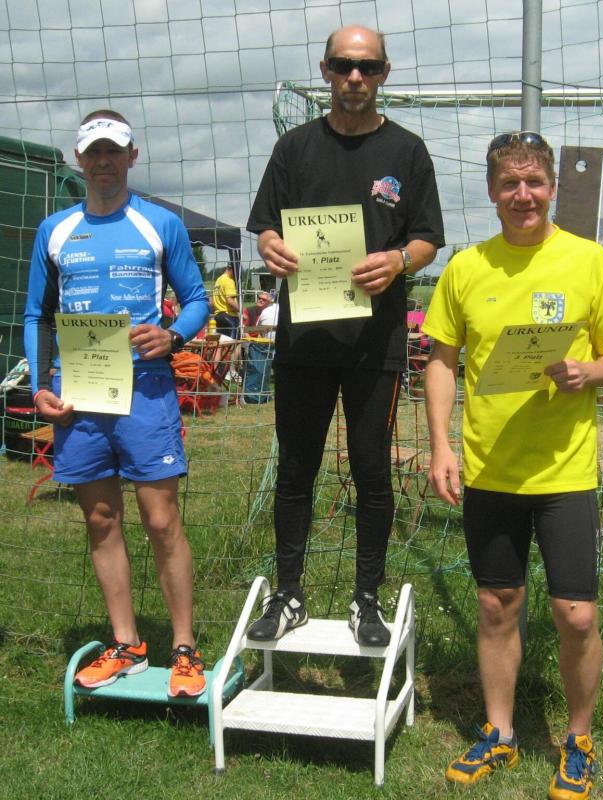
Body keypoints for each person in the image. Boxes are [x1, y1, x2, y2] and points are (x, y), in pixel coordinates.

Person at [422, 131, 603, 799]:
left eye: (534, 182)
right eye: (509, 184)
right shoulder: (466, 267)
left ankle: (578, 740)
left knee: (575, 615)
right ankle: (499, 733)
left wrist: (587, 371)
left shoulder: (587, 261)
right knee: (497, 605)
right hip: (490, 470)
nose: (522, 195)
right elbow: (440, 360)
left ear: (551, 187)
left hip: (564, 474)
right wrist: (441, 446)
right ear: (492, 192)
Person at [245, 25, 444, 646]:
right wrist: (271, 246)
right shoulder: (294, 147)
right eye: (343, 65)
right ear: (326, 70)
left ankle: (367, 600)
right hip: (304, 342)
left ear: (384, 73)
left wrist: (400, 261)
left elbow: (428, 237)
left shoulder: (407, 151)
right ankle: (288, 593)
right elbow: (266, 226)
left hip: (373, 345)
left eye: (367, 67)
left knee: (372, 471)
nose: (355, 77)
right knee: (296, 470)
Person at [23, 110, 211, 698]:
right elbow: (37, 315)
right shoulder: (54, 230)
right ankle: (126, 643)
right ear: (79, 160)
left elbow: (197, 299)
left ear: (132, 156)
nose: (104, 161)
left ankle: (185, 648)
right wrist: (40, 386)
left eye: (114, 150)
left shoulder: (160, 224)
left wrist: (173, 336)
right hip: (79, 394)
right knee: (101, 519)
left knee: (161, 519)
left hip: (146, 390)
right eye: (94, 152)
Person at [212, 263, 240, 339]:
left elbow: (213, 301)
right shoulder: (229, 280)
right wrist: (240, 310)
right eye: (237, 271)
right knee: (233, 343)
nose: (237, 274)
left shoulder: (218, 280)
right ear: (231, 269)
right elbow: (230, 301)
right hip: (229, 316)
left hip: (218, 316)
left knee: (221, 343)